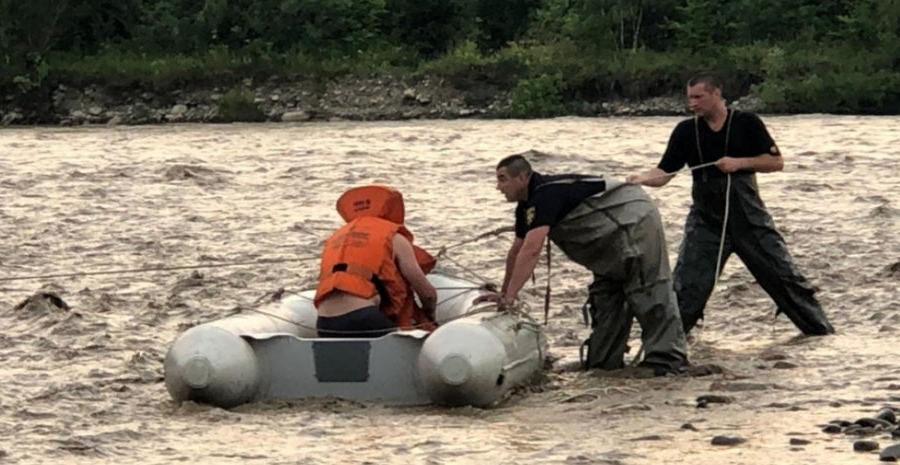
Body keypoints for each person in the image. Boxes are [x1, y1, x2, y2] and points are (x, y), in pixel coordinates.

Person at [626, 72, 834, 336]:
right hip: (706, 222)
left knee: (785, 279)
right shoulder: (685, 131)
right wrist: (642, 178)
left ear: (716, 94)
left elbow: (776, 162)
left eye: (699, 97)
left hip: (750, 220)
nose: (693, 103)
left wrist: (739, 163)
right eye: (690, 98)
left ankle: (821, 334)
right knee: (687, 287)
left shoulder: (747, 123)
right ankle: (668, 347)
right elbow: (664, 172)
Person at [482, 152, 688, 375]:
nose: (498, 187)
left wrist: (512, 298)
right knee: (606, 297)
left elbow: (532, 250)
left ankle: (668, 362)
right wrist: (504, 294)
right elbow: (517, 250)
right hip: (607, 241)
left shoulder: (546, 195)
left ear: (523, 177)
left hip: (634, 221)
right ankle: (605, 363)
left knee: (648, 289)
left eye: (502, 179)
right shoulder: (526, 207)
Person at [314, 185, 438, 338]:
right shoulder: (393, 237)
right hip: (364, 318)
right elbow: (427, 293)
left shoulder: (335, 238)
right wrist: (429, 314)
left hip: (325, 323)